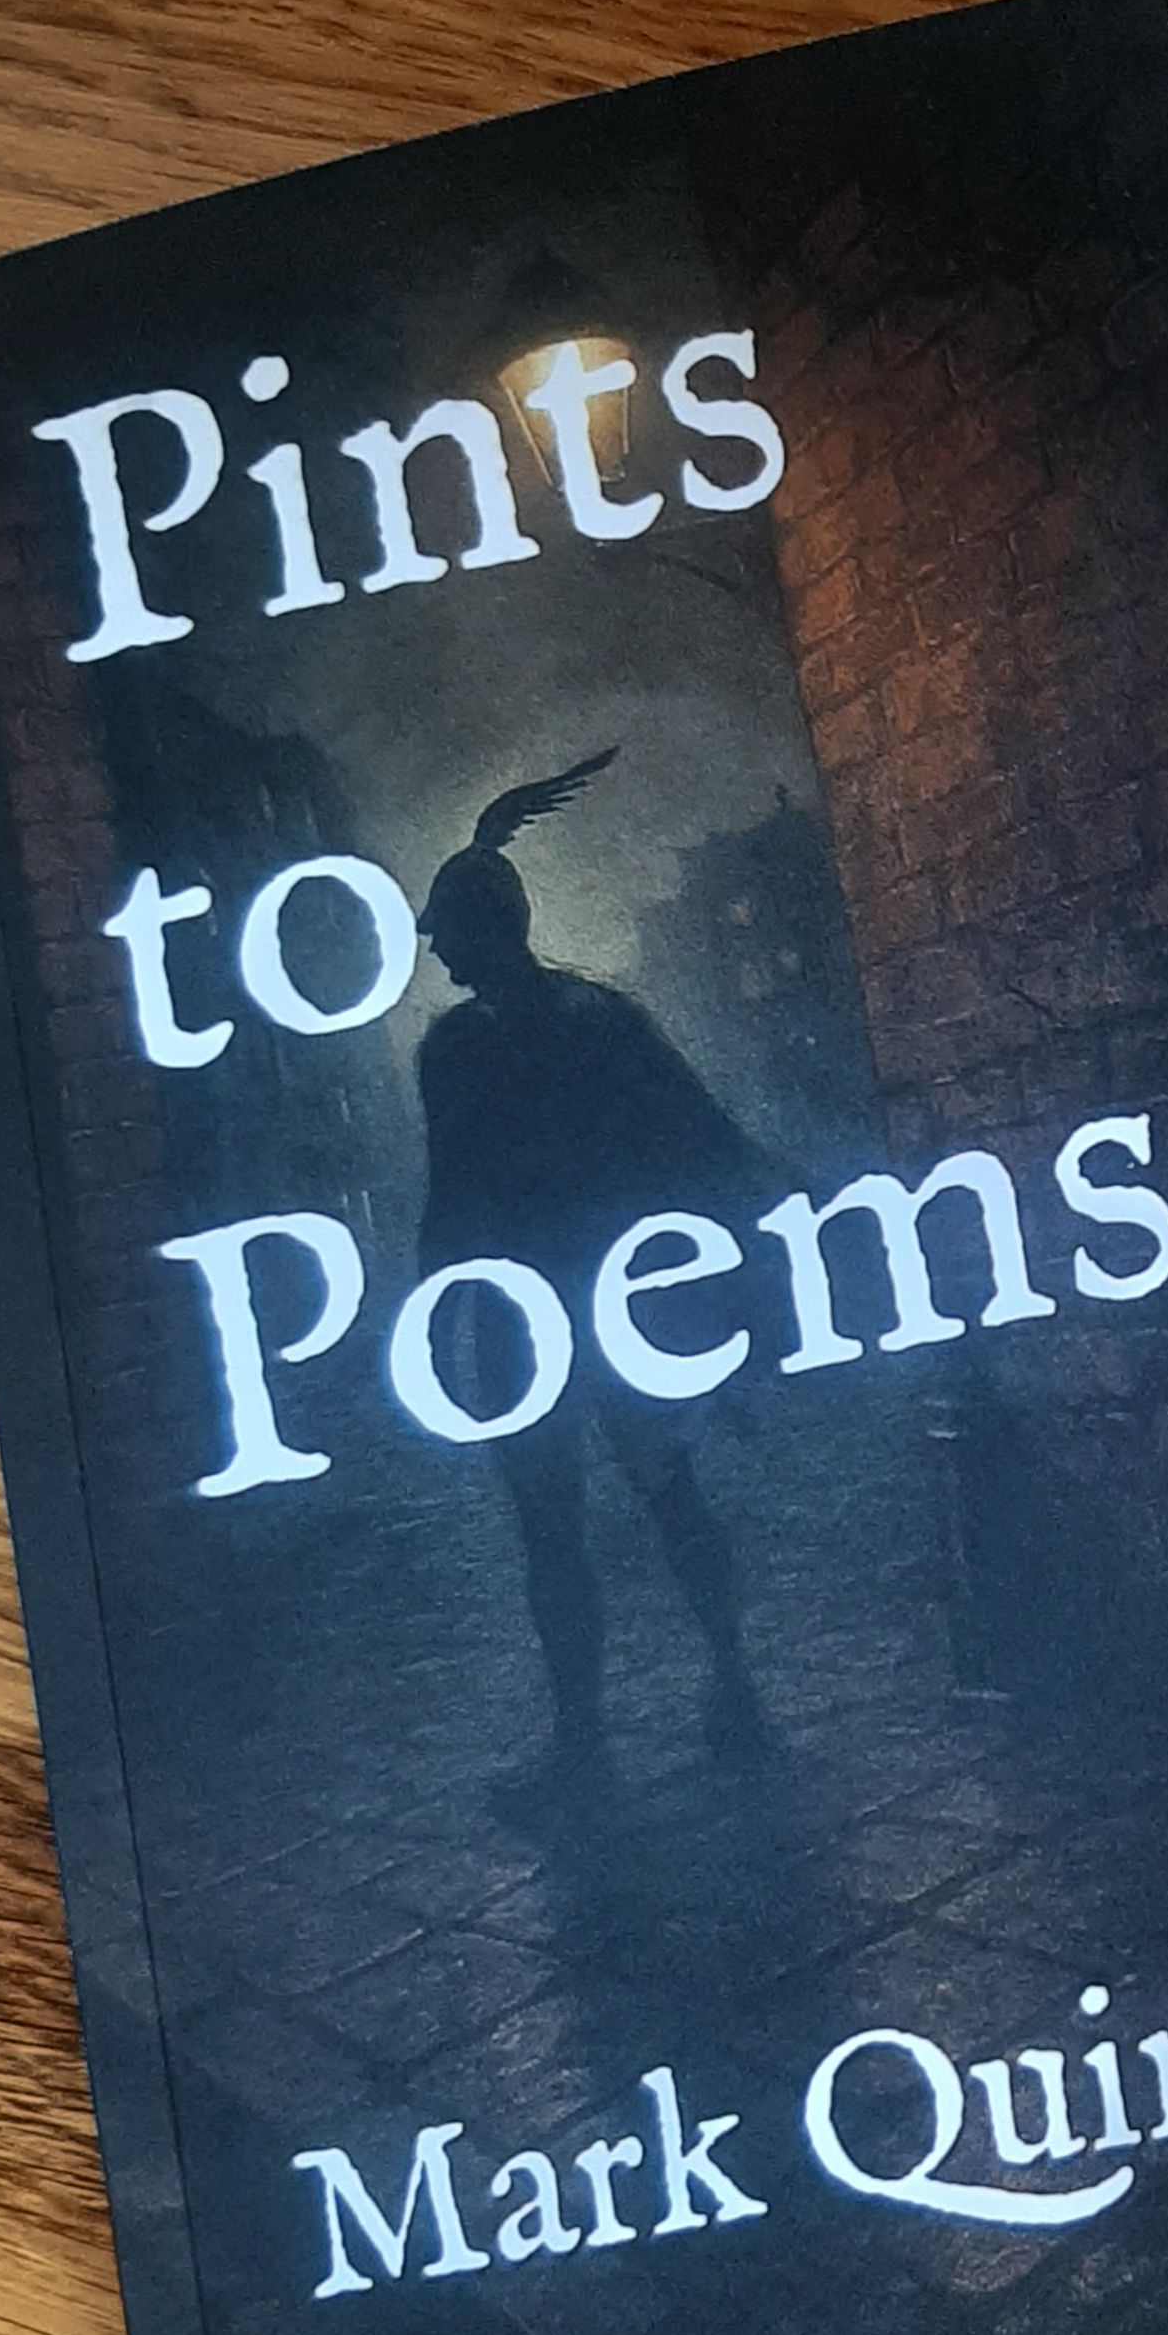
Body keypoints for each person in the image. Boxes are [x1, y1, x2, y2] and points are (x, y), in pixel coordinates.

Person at [414, 747, 770, 1786]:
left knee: (564, 1525)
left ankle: (604, 1731)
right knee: (657, 1497)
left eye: (448, 933)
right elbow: (703, 1140)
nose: (438, 954)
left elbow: (453, 1198)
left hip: (538, 1313)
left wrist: (437, 1317)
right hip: (602, 1304)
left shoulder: (463, 1047)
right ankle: (721, 1691)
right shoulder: (594, 1020)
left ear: (484, 928)